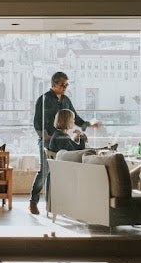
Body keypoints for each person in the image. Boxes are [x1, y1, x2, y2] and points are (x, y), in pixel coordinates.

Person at [30, 72, 102, 215]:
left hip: (61, 140)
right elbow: (37, 121)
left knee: (55, 173)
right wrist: (45, 136)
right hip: (47, 140)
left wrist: (89, 125)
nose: (65, 87)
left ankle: (50, 203)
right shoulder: (43, 99)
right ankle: (33, 201)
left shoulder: (66, 100)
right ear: (53, 84)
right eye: (62, 85)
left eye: (67, 84)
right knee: (45, 171)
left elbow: (74, 117)